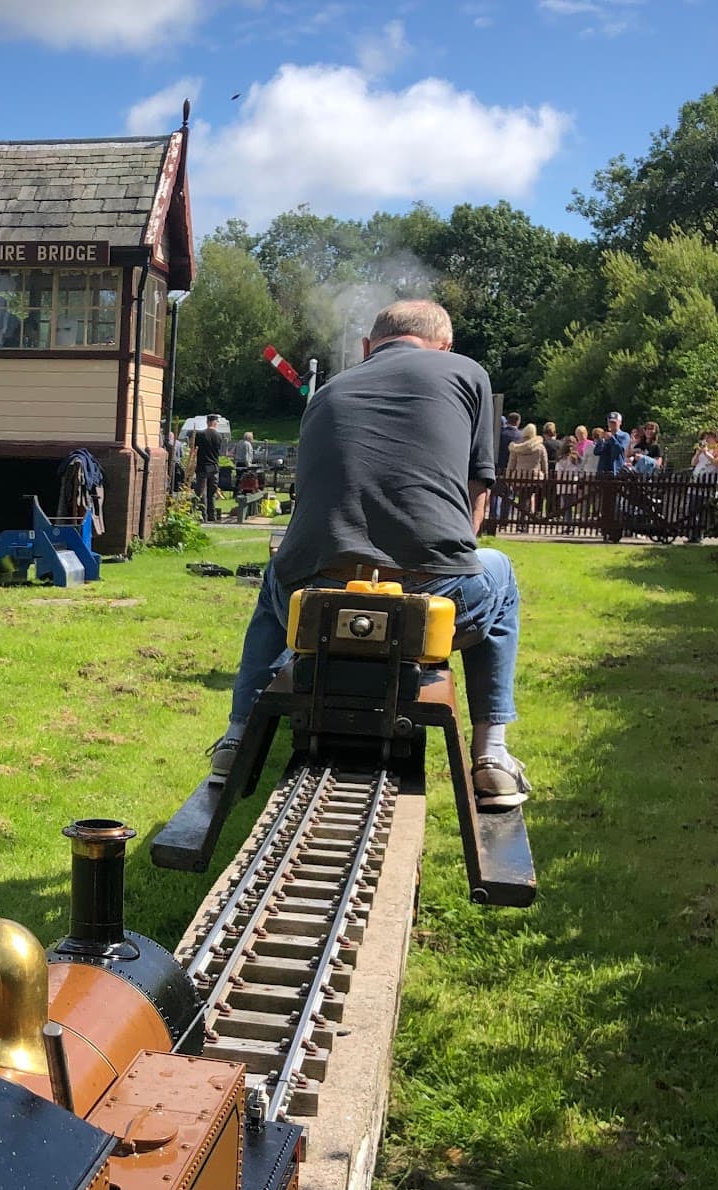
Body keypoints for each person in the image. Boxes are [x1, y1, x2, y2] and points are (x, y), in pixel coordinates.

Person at [208, 299, 529, 808]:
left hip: (317, 597)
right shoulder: (468, 374)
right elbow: (477, 498)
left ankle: (236, 735)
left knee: (276, 579)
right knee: (500, 571)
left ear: (367, 347)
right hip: (432, 596)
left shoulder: (328, 391)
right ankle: (491, 754)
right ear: (445, 346)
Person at [508, 423, 549, 524]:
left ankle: (521, 519)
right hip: (535, 477)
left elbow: (511, 463)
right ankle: (528, 517)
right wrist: (545, 475)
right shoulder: (540, 447)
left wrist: (509, 476)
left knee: (522, 498)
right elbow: (544, 463)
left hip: (520, 476)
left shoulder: (517, 447)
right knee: (530, 497)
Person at [193, 413, 226, 522]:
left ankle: (203, 515)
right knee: (212, 492)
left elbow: (194, 448)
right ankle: (212, 515)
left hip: (202, 466)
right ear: (215, 423)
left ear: (207, 422)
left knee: (201, 492)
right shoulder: (219, 436)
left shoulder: (201, 435)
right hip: (214, 467)